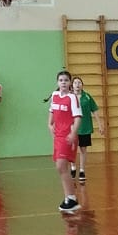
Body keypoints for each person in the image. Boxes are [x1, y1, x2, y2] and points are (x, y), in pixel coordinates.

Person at [48, 70, 82, 213]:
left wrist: (73, 134)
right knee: (61, 168)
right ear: (57, 82)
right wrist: (50, 126)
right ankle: (68, 197)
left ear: (70, 83)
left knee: (61, 165)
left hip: (68, 136)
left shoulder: (72, 98)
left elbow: (78, 117)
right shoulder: (54, 96)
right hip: (58, 136)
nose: (63, 83)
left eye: (66, 80)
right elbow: (51, 114)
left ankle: (72, 198)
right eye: (61, 80)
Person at [71, 76, 103, 182]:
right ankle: (73, 167)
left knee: (83, 149)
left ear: (82, 85)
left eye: (79, 82)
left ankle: (82, 170)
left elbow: (95, 110)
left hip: (85, 127)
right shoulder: (69, 97)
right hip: (72, 128)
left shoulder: (87, 97)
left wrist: (100, 124)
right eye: (75, 82)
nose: (77, 84)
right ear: (72, 85)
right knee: (72, 149)